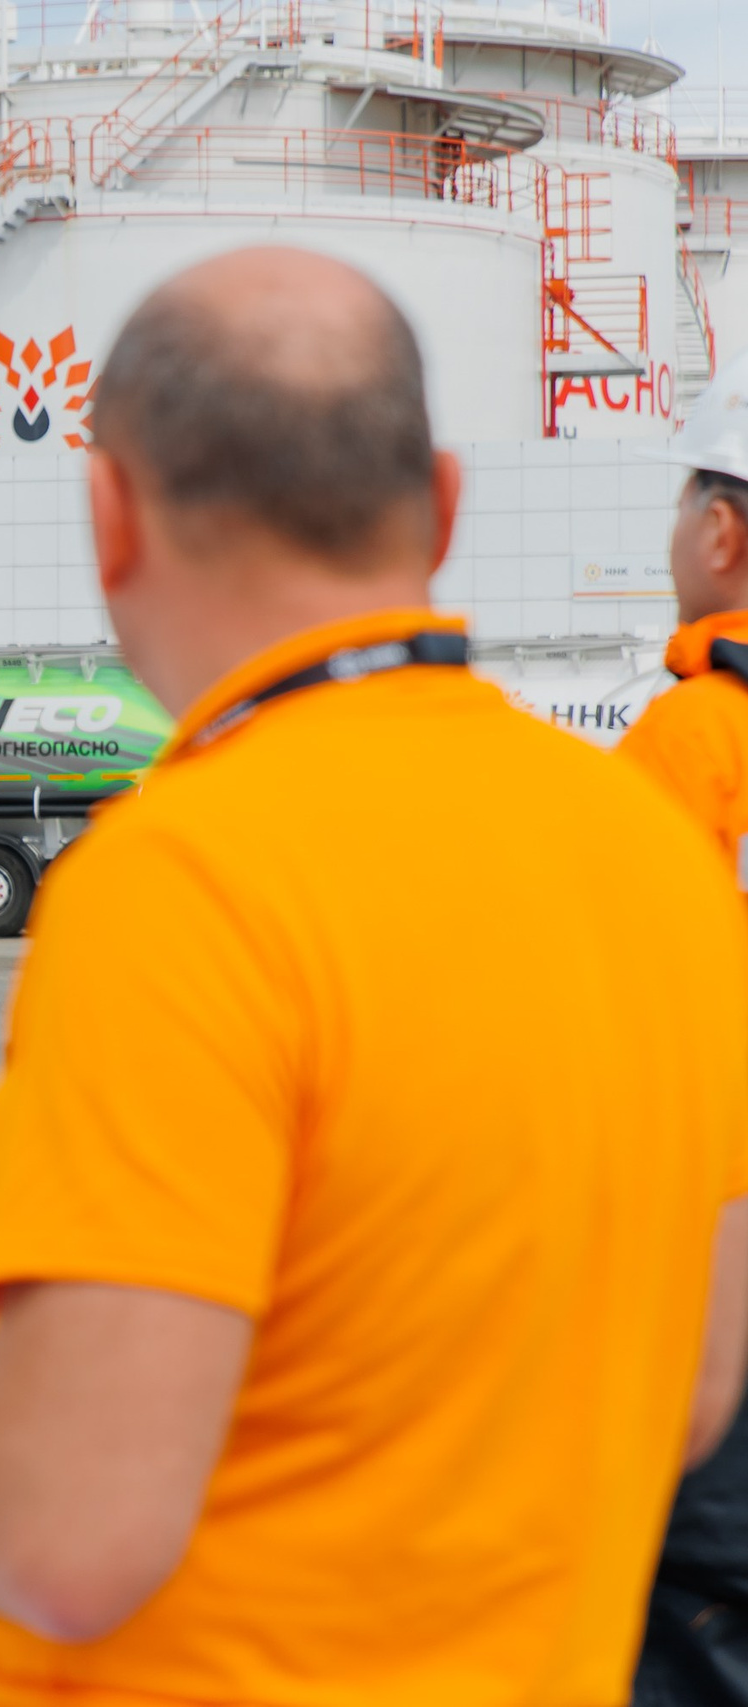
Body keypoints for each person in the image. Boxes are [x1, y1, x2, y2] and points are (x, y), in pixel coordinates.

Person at [0, 247, 748, 1707]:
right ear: (447, 506)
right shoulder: (649, 848)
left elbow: (67, 1533)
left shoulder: (183, 880)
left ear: (109, 517)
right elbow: (693, 1387)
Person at [622, 358, 748, 1707]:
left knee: (695, 1605)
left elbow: (621, 1021)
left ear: (721, 528)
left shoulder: (691, 741)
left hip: (719, 1249)